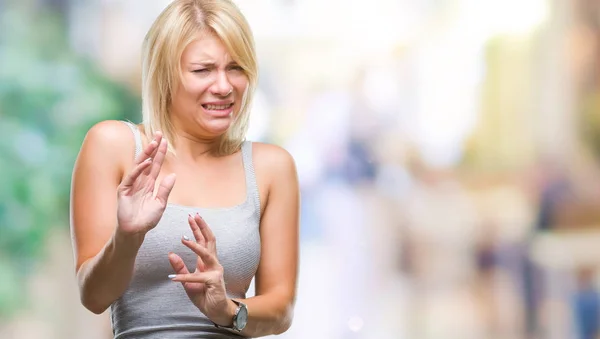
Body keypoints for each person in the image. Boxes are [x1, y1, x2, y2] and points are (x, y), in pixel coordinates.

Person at [69, 0, 300, 338]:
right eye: (203, 70)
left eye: (235, 67)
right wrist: (128, 237)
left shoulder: (272, 167)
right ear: (166, 74)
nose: (224, 86)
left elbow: (281, 310)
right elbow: (93, 297)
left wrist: (226, 309)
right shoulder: (112, 146)